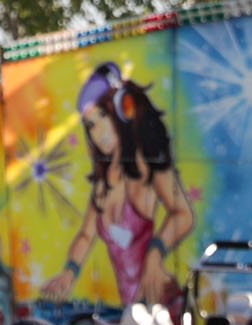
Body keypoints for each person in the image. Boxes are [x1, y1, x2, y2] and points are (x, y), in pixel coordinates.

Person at [40, 61, 201, 309]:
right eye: (91, 125)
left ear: (123, 111)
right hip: (132, 311)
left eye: (103, 116)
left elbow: (184, 214)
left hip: (161, 305)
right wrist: (70, 272)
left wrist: (155, 253)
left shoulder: (147, 167)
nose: (98, 132)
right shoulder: (104, 183)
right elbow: (86, 234)